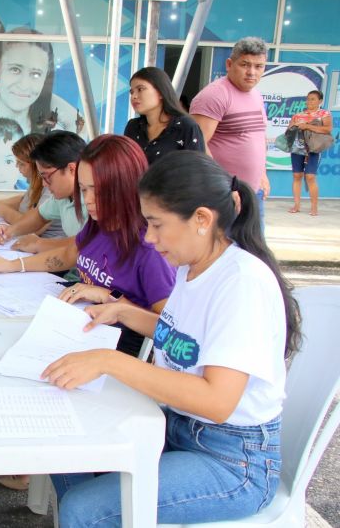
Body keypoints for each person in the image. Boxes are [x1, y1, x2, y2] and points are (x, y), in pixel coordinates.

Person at [44, 150, 300, 526]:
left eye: (156, 224)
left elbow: (216, 400)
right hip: (179, 427)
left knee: (85, 510)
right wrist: (124, 311)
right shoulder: (195, 264)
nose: (149, 237)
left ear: (201, 219)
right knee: (66, 447)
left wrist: (109, 361)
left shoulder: (241, 283)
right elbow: (183, 338)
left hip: (232, 461)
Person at [0, 135, 175, 356]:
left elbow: (170, 330)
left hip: (115, 351)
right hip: (78, 332)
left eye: (97, 190)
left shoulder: (150, 248)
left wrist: (107, 295)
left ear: (125, 185)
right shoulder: (100, 223)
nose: (88, 200)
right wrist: (11, 265)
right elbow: (69, 253)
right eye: (82, 190)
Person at [190, 37, 269, 225]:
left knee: (252, 251)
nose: (251, 72)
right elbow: (196, 145)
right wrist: (226, 185)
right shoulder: (215, 95)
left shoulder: (256, 95)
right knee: (222, 251)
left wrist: (262, 173)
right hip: (224, 194)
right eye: (245, 65)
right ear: (229, 64)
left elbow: (258, 138)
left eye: (259, 66)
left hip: (252, 192)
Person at [0, 130, 86, 254]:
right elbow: (39, 216)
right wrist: (9, 231)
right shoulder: (62, 196)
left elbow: (84, 244)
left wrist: (39, 244)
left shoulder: (93, 201)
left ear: (71, 169)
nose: (44, 184)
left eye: (47, 176)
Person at [0, 29, 82, 136]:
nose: (24, 85)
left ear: (45, 77)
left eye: (36, 74)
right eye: (15, 70)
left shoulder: (52, 134)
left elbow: (79, 124)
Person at [0, 133, 64, 239]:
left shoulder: (50, 187)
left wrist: (1, 209)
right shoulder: (36, 182)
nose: (17, 166)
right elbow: (24, 201)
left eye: (21, 163)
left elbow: (35, 228)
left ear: (36, 164)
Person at [124, 66, 205, 164]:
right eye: (131, 92)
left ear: (161, 92)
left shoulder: (186, 127)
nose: (134, 96)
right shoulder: (133, 127)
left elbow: (198, 171)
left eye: (140, 89)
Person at [288, 89, 332, 216]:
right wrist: (294, 126)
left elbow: (327, 129)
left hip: (313, 148)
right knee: (297, 176)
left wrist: (307, 126)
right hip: (297, 148)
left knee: (310, 177)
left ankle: (314, 207)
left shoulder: (324, 114)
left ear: (320, 101)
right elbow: (289, 131)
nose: (309, 101)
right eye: (308, 99)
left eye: (313, 99)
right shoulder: (298, 115)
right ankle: (296, 205)